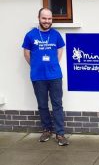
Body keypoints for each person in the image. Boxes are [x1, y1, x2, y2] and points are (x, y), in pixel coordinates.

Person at [22, 8, 69, 146]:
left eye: (49, 19)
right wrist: (37, 66)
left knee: (57, 105)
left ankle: (60, 134)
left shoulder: (56, 35)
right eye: (44, 18)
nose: (47, 21)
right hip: (38, 76)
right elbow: (26, 54)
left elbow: (60, 51)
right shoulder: (30, 35)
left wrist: (52, 65)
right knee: (42, 105)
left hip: (55, 76)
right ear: (39, 18)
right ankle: (46, 130)